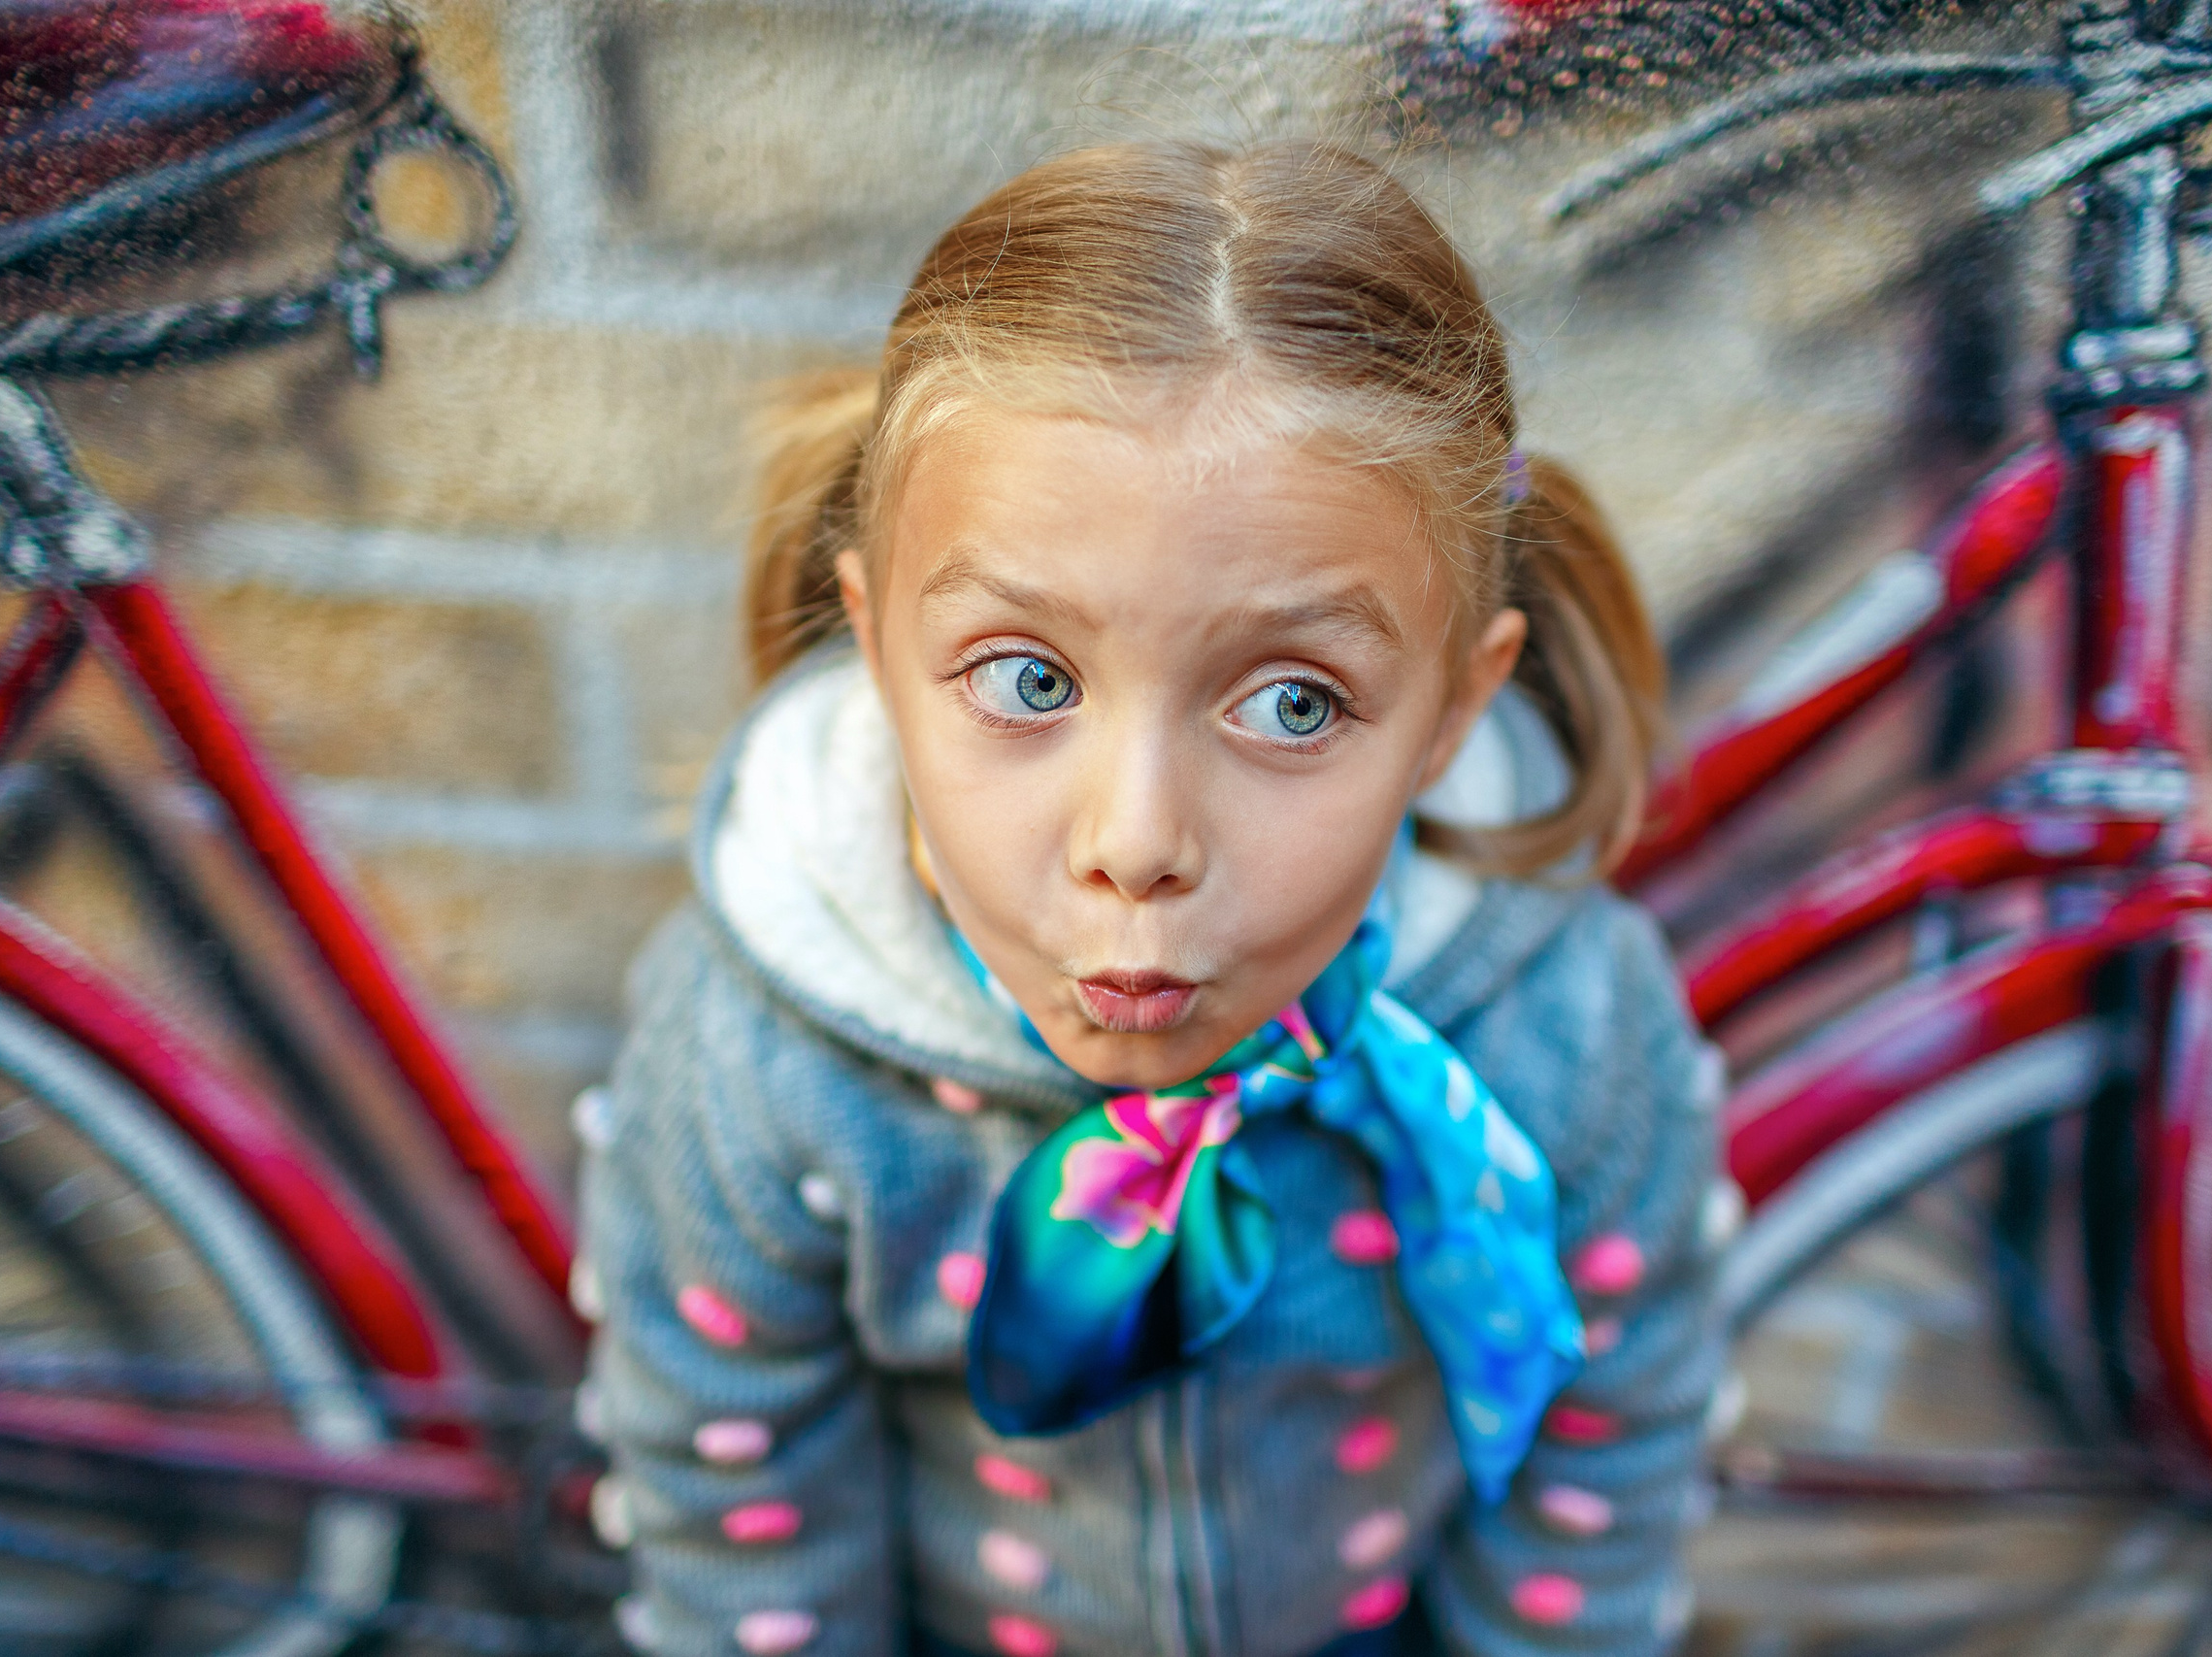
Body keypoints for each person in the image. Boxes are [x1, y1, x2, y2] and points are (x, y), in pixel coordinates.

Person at [577, 137, 1727, 1657]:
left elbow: (1606, 1461)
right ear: (871, 650)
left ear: (1456, 707)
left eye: (1296, 705)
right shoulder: (757, 1068)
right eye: (1027, 679)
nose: (1138, 840)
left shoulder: (1567, 1030)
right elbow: (741, 1536)